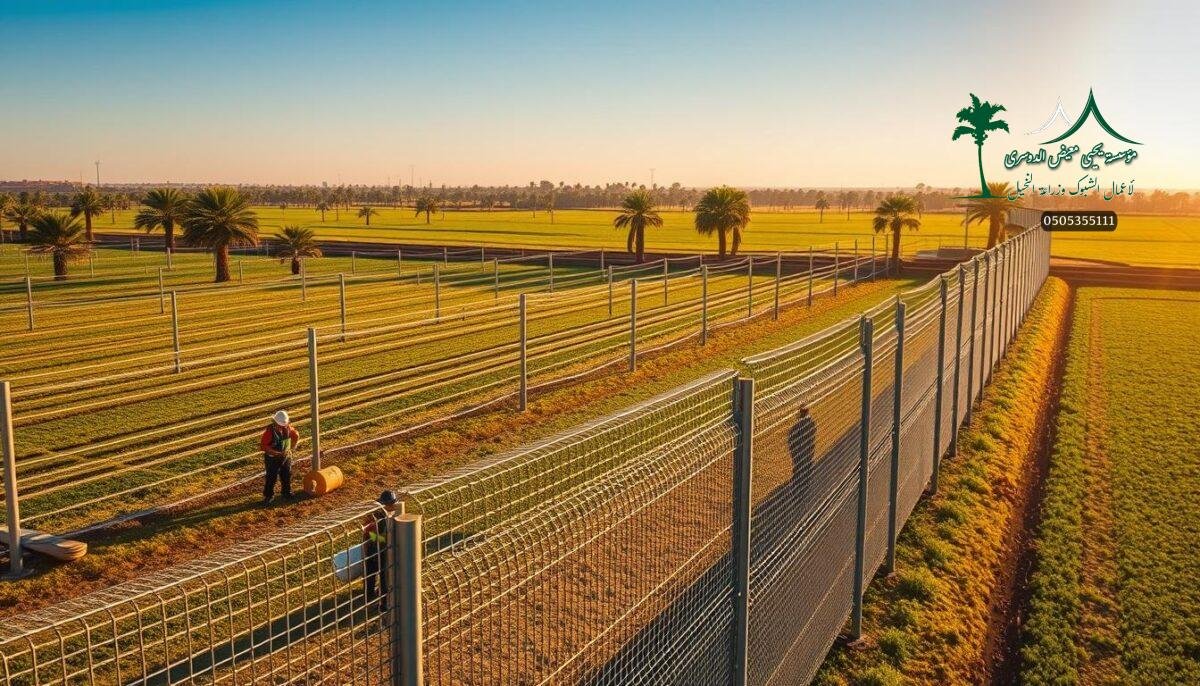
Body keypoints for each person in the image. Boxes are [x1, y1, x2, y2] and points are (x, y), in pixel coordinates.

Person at [363, 490, 398, 613]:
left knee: (381, 577)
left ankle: (381, 602)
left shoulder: (392, 515)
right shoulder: (376, 516)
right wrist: (384, 539)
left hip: (381, 550)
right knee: (375, 576)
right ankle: (373, 599)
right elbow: (368, 534)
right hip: (375, 550)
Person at [260, 410, 300, 504]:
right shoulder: (269, 433)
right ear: (274, 423)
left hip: (285, 456)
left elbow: (296, 435)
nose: (282, 427)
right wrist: (275, 453)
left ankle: (286, 492)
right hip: (272, 458)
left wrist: (292, 447)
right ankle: (268, 496)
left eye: (284, 425)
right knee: (271, 477)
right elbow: (264, 446)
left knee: (286, 474)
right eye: (280, 425)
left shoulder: (289, 429)